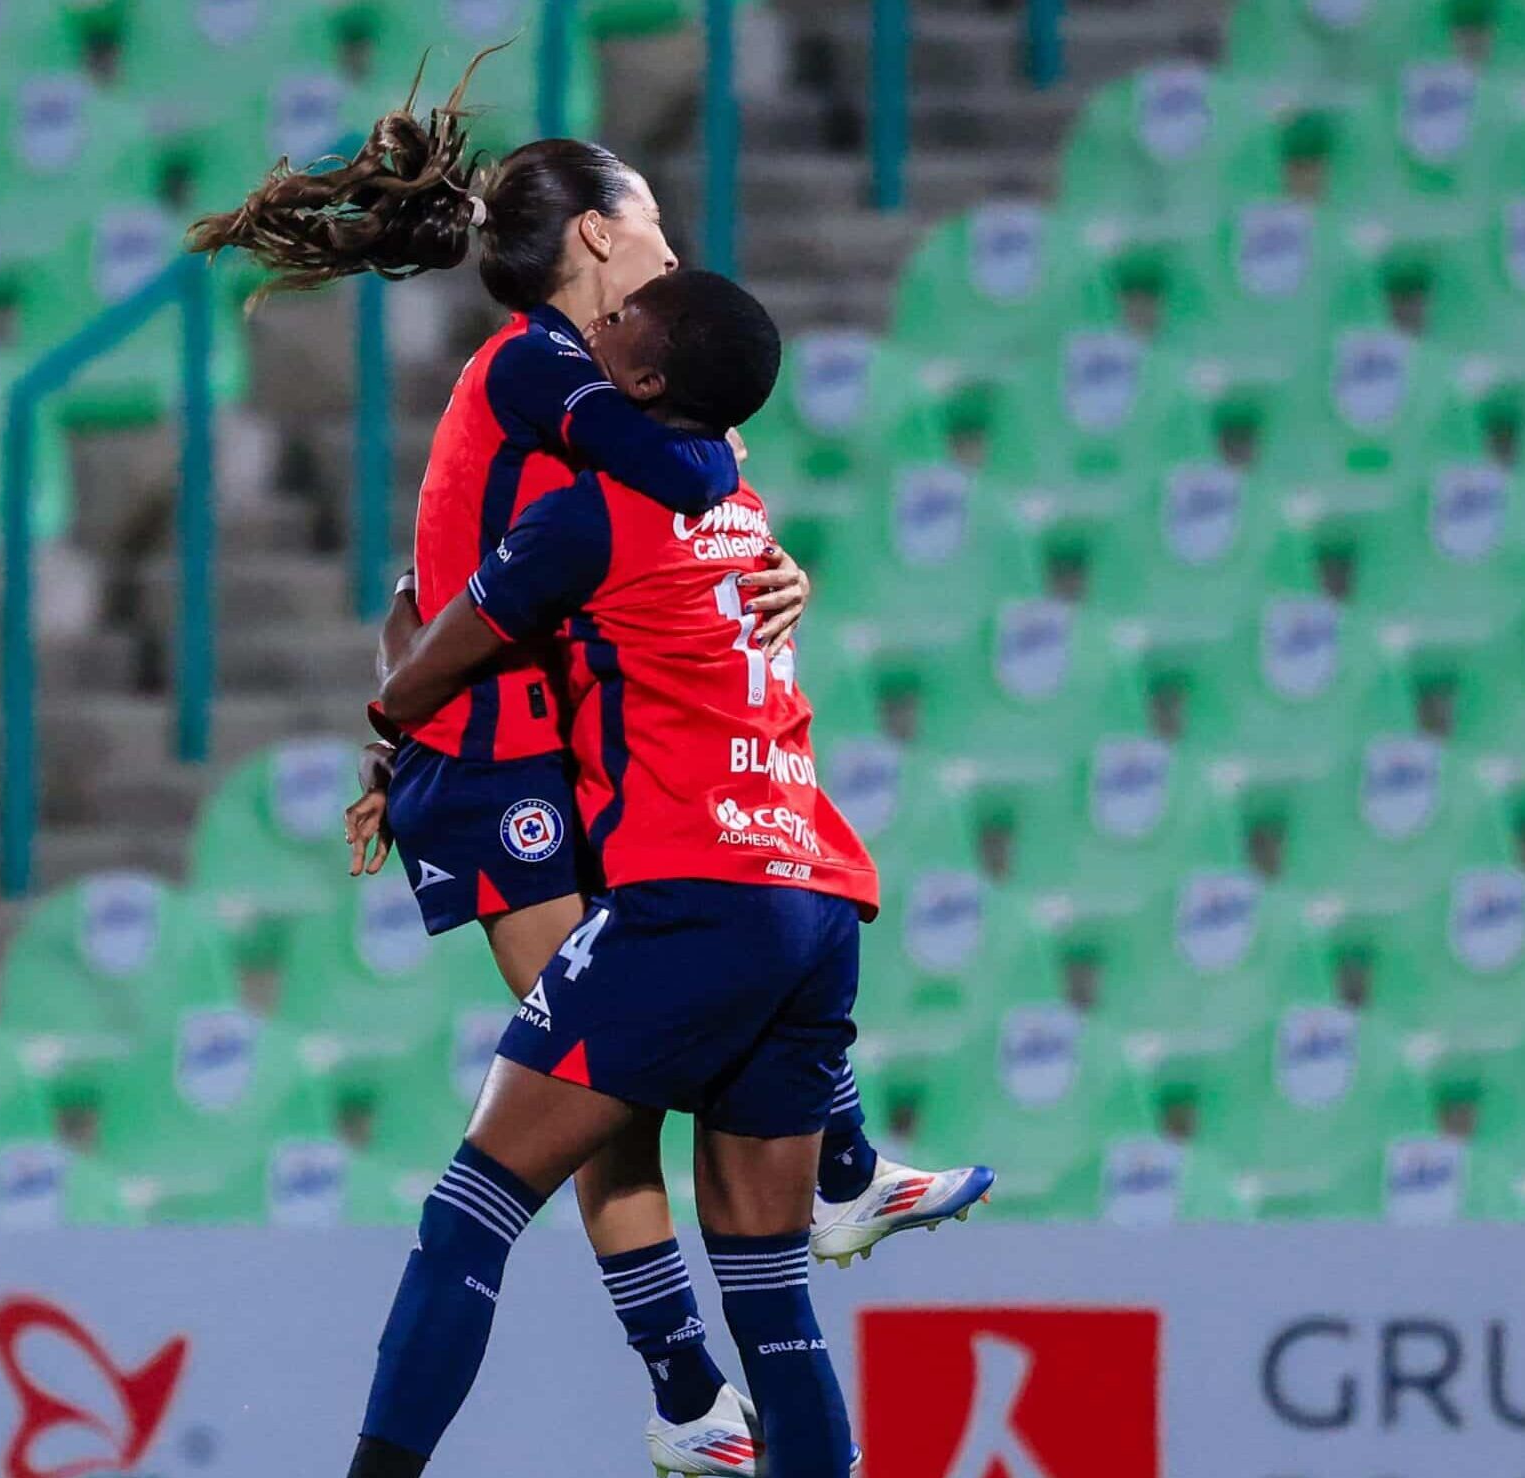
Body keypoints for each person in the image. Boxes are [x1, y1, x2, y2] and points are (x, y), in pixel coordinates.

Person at [191, 64, 985, 1475]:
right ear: (603, 244)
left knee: (587, 1094)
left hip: (546, 759)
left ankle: (726, 1343)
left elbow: (515, 565)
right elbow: (662, 490)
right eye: (660, 243)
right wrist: (722, 470)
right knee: (597, 1098)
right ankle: (718, 1348)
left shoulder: (583, 423)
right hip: (502, 776)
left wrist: (760, 543)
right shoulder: (542, 367)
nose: (669, 268)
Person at [349, 268, 976, 1478]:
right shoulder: (741, 503)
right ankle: (794, 1262)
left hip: (692, 899)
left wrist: (386, 712)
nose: (599, 318)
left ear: (638, 382)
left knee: (467, 1214)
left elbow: (432, 663)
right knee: (770, 1296)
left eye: (623, 319)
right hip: (814, 892)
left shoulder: (587, 516)